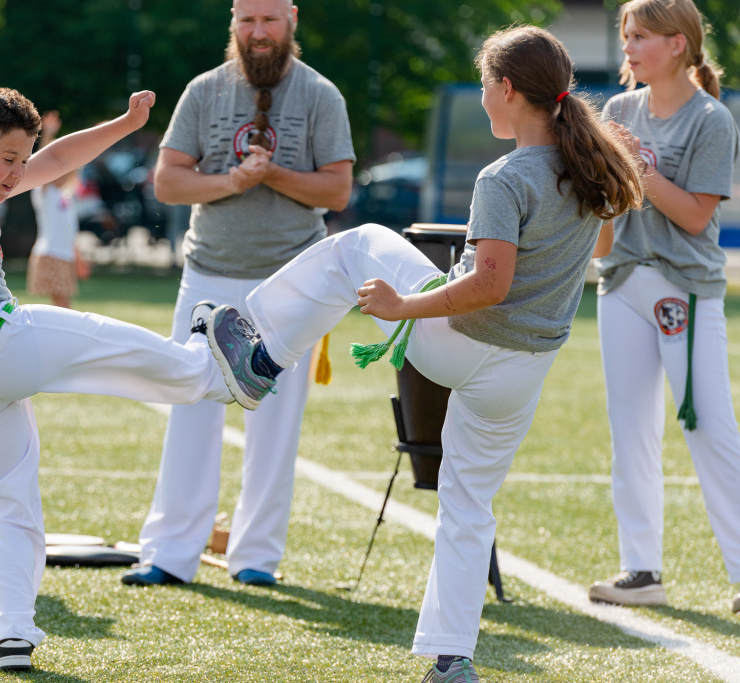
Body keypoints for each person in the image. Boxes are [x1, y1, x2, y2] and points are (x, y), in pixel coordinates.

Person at [202, 25, 643, 682]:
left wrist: (402, 308)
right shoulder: (591, 166)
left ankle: (260, 358)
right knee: (469, 504)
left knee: (361, 243)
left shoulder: (506, 175)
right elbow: (601, 250)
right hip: (523, 373)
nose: (486, 100)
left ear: (506, 89)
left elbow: (490, 283)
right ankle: (449, 656)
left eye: (488, 87)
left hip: (461, 345)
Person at [0, 86, 236, 671]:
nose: (19, 173)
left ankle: (12, 635)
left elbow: (57, 160)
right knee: (103, 338)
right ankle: (214, 368)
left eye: (22, 161)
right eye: (9, 161)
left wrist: (125, 124)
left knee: (9, 501)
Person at [122, 0, 355, 589]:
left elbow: (338, 189)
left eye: (269, 20)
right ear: (233, 22)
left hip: (292, 279)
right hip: (209, 272)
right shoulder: (203, 91)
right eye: (247, 20)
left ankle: (255, 557)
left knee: (274, 420)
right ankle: (170, 553)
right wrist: (231, 180)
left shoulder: (321, 95)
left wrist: (271, 173)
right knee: (191, 404)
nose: (258, 32)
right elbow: (169, 181)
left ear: (292, 20)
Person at [587, 0, 740, 614]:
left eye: (641, 36)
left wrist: (634, 166)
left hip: (687, 290)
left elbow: (698, 215)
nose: (628, 47)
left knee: (707, 429)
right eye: (626, 36)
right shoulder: (619, 109)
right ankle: (641, 570)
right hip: (622, 283)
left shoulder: (712, 118)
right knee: (631, 432)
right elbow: (605, 204)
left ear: (678, 44)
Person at [28, 110, 83, 308]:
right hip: (50, 253)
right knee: (62, 304)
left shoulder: (65, 195)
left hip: (64, 255)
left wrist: (77, 256)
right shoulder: (45, 192)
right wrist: (48, 135)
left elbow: (70, 229)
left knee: (61, 304)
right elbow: (41, 164)